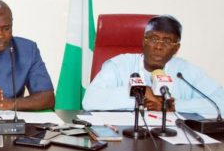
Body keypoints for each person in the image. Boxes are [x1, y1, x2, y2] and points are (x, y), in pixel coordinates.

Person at [82, 15, 224, 115]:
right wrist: (141, 92)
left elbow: (221, 102)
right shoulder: (119, 65)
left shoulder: (184, 71)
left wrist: (173, 106)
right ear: (144, 41)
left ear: (176, 48)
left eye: (167, 41)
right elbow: (89, 100)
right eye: (153, 38)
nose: (158, 46)